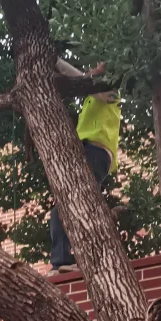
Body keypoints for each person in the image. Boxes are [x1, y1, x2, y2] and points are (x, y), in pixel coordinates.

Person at [49, 60, 120, 274]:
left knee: (71, 204)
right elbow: (79, 79)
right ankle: (67, 261)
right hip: (85, 153)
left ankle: (64, 260)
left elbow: (85, 81)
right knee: (66, 206)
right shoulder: (91, 99)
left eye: (100, 66)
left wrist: (59, 61)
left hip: (96, 153)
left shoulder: (110, 91)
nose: (94, 67)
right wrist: (57, 64)